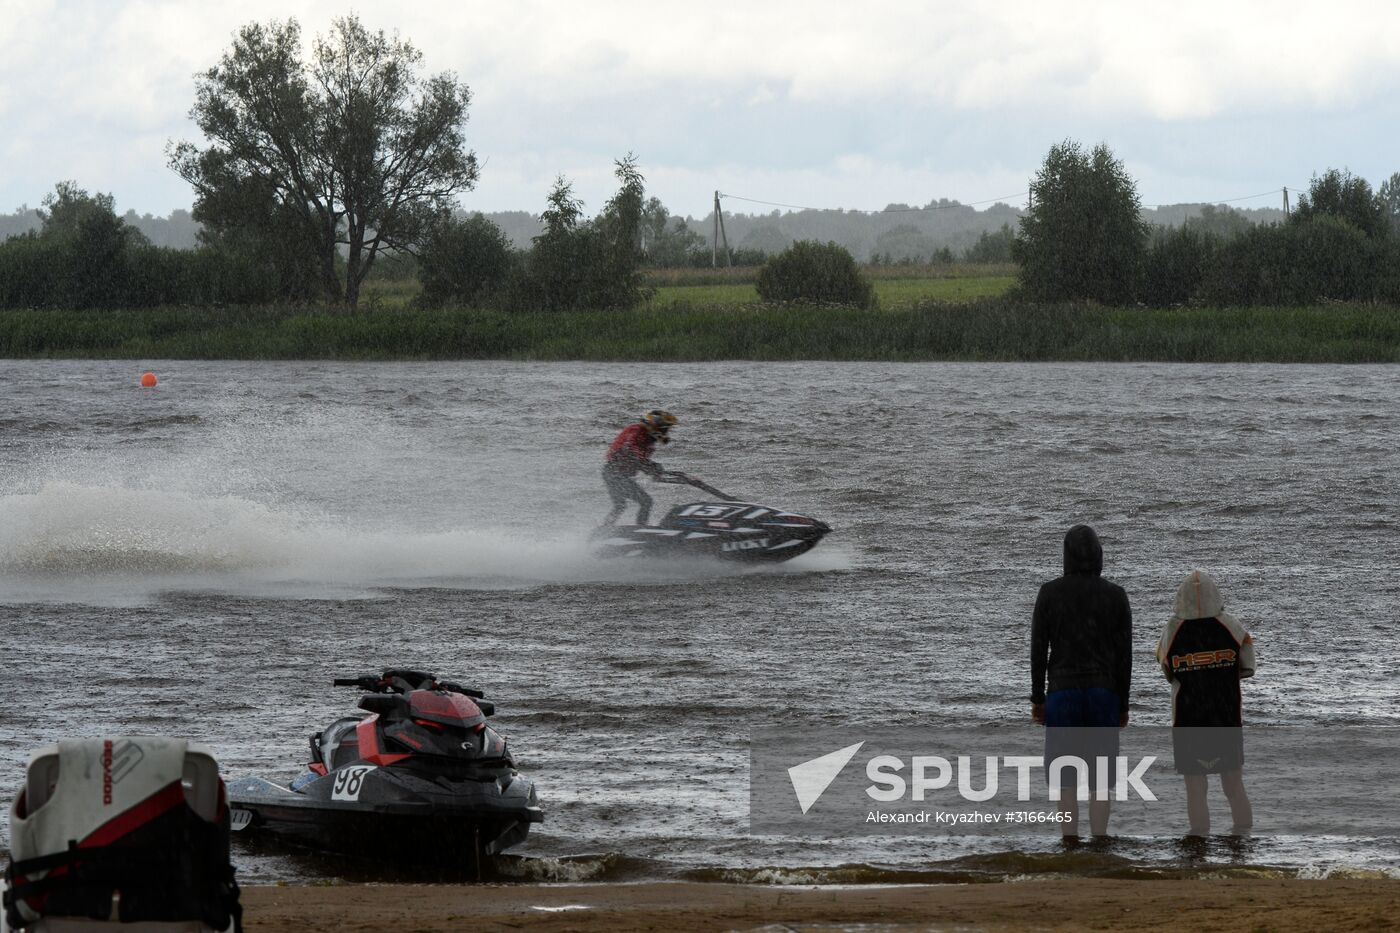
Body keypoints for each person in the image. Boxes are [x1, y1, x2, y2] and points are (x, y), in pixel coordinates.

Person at [1030, 524, 1133, 838]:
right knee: (1101, 781)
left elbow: (1038, 649)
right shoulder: (1115, 596)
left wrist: (1038, 698)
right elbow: (1124, 656)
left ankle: (1070, 844)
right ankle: (1100, 842)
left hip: (1063, 693)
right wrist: (1123, 704)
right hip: (1103, 693)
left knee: (1066, 780)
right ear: (1099, 555)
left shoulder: (1050, 593)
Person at [1157, 569, 1255, 836]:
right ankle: (1242, 842)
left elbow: (1167, 670)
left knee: (1196, 787)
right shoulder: (1232, 627)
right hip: (1226, 715)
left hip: (1189, 719)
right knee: (1234, 785)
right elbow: (1247, 667)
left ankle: (1198, 846)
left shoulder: (1173, 630)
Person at [601, 410, 678, 526]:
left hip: (617, 474)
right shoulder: (636, 430)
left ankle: (606, 527)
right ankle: (641, 528)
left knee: (621, 505)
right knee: (645, 502)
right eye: (665, 429)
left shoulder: (648, 442)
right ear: (656, 427)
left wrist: (654, 471)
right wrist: (650, 465)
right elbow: (630, 450)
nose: (666, 432)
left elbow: (639, 462)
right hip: (614, 474)